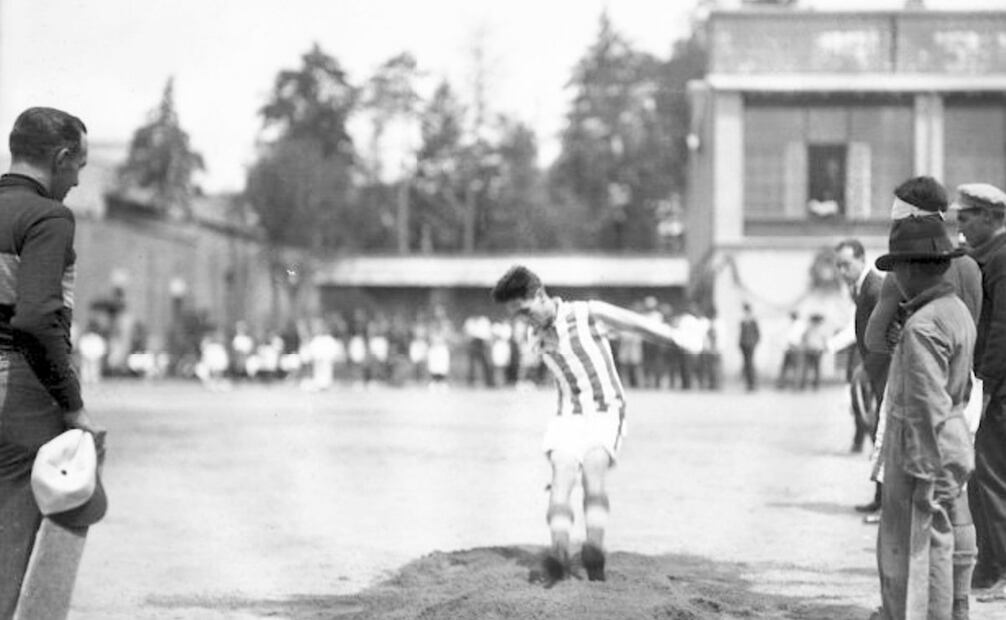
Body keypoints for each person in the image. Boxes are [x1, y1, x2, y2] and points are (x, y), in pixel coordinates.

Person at [491, 265, 682, 585]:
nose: (524, 320)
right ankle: (559, 554)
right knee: (562, 471)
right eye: (517, 316)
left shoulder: (589, 313)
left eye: (525, 311)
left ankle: (594, 552)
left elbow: (636, 325)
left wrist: (675, 338)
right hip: (567, 414)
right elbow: (548, 358)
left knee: (593, 468)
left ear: (539, 295)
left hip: (607, 410)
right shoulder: (532, 334)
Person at [0, 107, 104, 617]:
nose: (79, 180)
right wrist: (73, 405)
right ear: (61, 158)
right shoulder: (47, 218)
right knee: (11, 545)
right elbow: (36, 320)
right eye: (78, 166)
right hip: (17, 390)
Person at [871, 215, 975, 620]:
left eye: (896, 267)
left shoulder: (923, 326)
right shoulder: (955, 310)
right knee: (939, 543)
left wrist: (921, 472)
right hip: (952, 437)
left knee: (916, 555)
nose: (895, 276)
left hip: (925, 448)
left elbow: (925, 407)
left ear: (911, 268)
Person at [952, 182, 1006, 595]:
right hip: (994, 382)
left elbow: (1001, 331)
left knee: (989, 477)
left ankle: (997, 570)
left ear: (991, 217)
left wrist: (985, 385)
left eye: (967, 216)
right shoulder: (988, 255)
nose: (960, 223)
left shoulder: (1003, 259)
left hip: (1000, 386)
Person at [834, 238, 884, 511]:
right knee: (878, 433)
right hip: (875, 371)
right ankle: (880, 498)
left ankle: (884, 500)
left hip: (883, 372)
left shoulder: (874, 287)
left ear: (862, 259)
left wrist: (867, 367)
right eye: (838, 266)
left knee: (882, 433)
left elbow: (884, 335)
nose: (842, 271)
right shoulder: (861, 288)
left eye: (846, 264)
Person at [738, 303, 760, 392]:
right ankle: (748, 383)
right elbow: (741, 334)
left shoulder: (753, 321)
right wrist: (740, 343)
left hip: (750, 345)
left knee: (750, 364)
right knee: (746, 364)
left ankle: (753, 383)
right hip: (744, 345)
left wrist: (754, 343)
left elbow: (757, 334)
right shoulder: (743, 321)